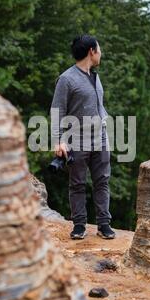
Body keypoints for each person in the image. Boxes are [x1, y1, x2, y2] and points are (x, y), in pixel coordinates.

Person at [50, 34, 115, 240]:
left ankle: (104, 224)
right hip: (77, 140)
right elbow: (56, 111)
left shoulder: (95, 76)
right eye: (99, 49)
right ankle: (79, 225)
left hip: (100, 138)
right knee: (77, 184)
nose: (100, 53)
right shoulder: (66, 79)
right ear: (91, 52)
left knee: (102, 181)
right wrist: (58, 140)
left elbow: (99, 104)